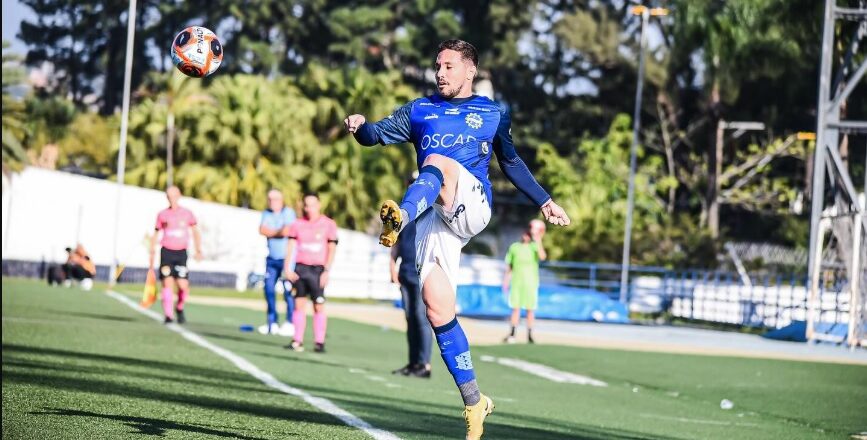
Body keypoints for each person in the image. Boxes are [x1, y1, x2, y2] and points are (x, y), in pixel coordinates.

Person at [344, 39, 570, 439]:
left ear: (470, 71)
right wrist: (361, 127)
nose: (440, 73)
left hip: (473, 204)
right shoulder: (420, 110)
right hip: (437, 215)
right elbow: (375, 135)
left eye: (448, 66)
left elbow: (511, 161)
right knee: (436, 309)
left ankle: (401, 217)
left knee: (436, 162)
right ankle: (474, 402)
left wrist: (544, 200)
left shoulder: (492, 112)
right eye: (437, 66)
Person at [283, 192, 338, 353]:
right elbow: (290, 247)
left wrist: (326, 270)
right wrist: (287, 268)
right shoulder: (297, 224)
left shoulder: (328, 224)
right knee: (298, 305)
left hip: (317, 270)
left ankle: (319, 342)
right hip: (301, 269)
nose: (309, 208)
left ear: (319, 205)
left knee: (318, 306)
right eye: (306, 205)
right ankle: (297, 340)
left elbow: (332, 249)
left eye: (312, 205)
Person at [389, 173, 432, 378]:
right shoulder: (403, 211)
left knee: (420, 317)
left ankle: (424, 364)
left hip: (422, 271)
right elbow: (394, 240)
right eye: (410, 182)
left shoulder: (430, 210)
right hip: (405, 270)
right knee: (410, 318)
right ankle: (413, 363)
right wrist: (392, 266)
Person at [149, 186, 203, 324]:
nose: (171, 199)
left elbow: (195, 231)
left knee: (183, 285)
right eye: (169, 196)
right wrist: (152, 249)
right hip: (166, 252)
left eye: (173, 196)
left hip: (181, 253)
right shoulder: (162, 214)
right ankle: (168, 315)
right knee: (167, 283)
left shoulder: (187, 213)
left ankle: (179, 307)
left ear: (179, 196)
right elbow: (156, 232)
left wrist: (198, 249)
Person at [259, 189, 297, 336]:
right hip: (272, 259)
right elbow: (262, 230)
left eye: (275, 199)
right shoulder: (266, 213)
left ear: (281, 200)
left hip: (287, 259)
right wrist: (277, 232)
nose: (272, 202)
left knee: (288, 290)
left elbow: (287, 231)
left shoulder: (288, 213)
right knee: (268, 289)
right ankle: (272, 322)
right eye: (270, 199)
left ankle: (290, 322)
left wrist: (272, 232)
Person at [502, 220, 547, 344]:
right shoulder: (514, 247)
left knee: (530, 309)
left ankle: (530, 335)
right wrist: (506, 280)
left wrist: (538, 239)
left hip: (531, 283)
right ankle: (512, 333)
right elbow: (509, 266)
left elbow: (543, 256)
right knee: (515, 308)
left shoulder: (534, 247)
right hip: (517, 282)